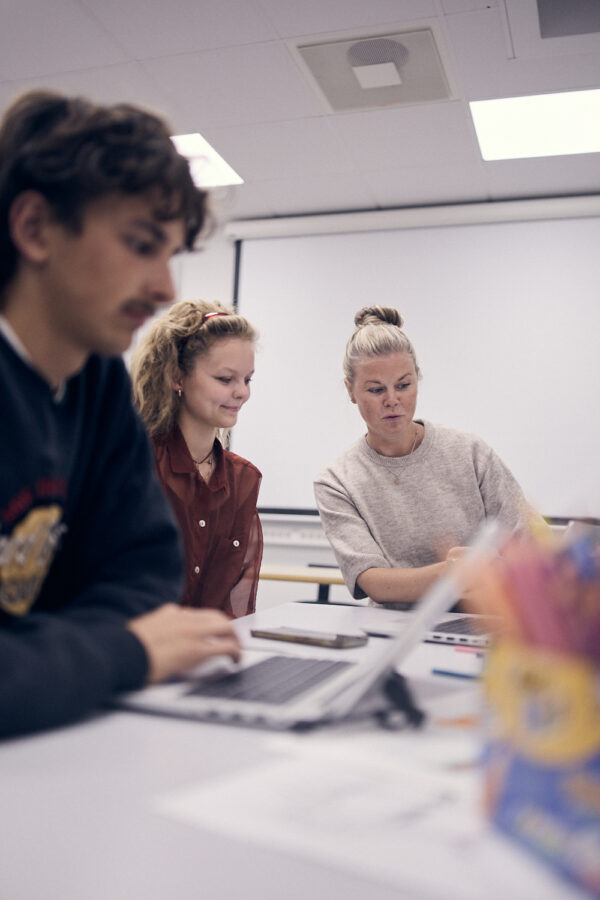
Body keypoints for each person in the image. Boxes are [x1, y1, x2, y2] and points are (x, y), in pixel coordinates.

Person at [0, 90, 241, 740]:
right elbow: (133, 632)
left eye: (170, 255)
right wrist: (119, 653)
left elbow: (142, 570)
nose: (165, 289)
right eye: (141, 244)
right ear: (35, 229)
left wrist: (46, 666)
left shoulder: (97, 378)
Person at [314, 306, 544, 607]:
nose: (392, 400)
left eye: (403, 385)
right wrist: (454, 572)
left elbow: (530, 544)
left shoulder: (470, 453)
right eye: (376, 390)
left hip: (484, 620)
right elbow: (373, 581)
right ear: (350, 390)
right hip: (393, 627)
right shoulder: (336, 481)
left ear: (417, 379)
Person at [130, 300, 262, 617]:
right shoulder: (137, 466)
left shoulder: (243, 479)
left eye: (247, 379)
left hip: (207, 646)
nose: (242, 392)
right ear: (178, 378)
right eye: (225, 379)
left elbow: (233, 610)